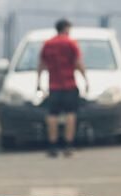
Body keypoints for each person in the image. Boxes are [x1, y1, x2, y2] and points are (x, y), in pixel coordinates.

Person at [38, 19, 89, 158]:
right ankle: (68, 145)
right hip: (69, 84)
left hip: (53, 85)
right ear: (66, 29)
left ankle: (52, 145)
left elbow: (42, 63)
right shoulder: (71, 43)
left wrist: (38, 81)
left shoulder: (48, 44)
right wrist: (85, 79)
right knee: (71, 115)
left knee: (52, 115)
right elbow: (78, 62)